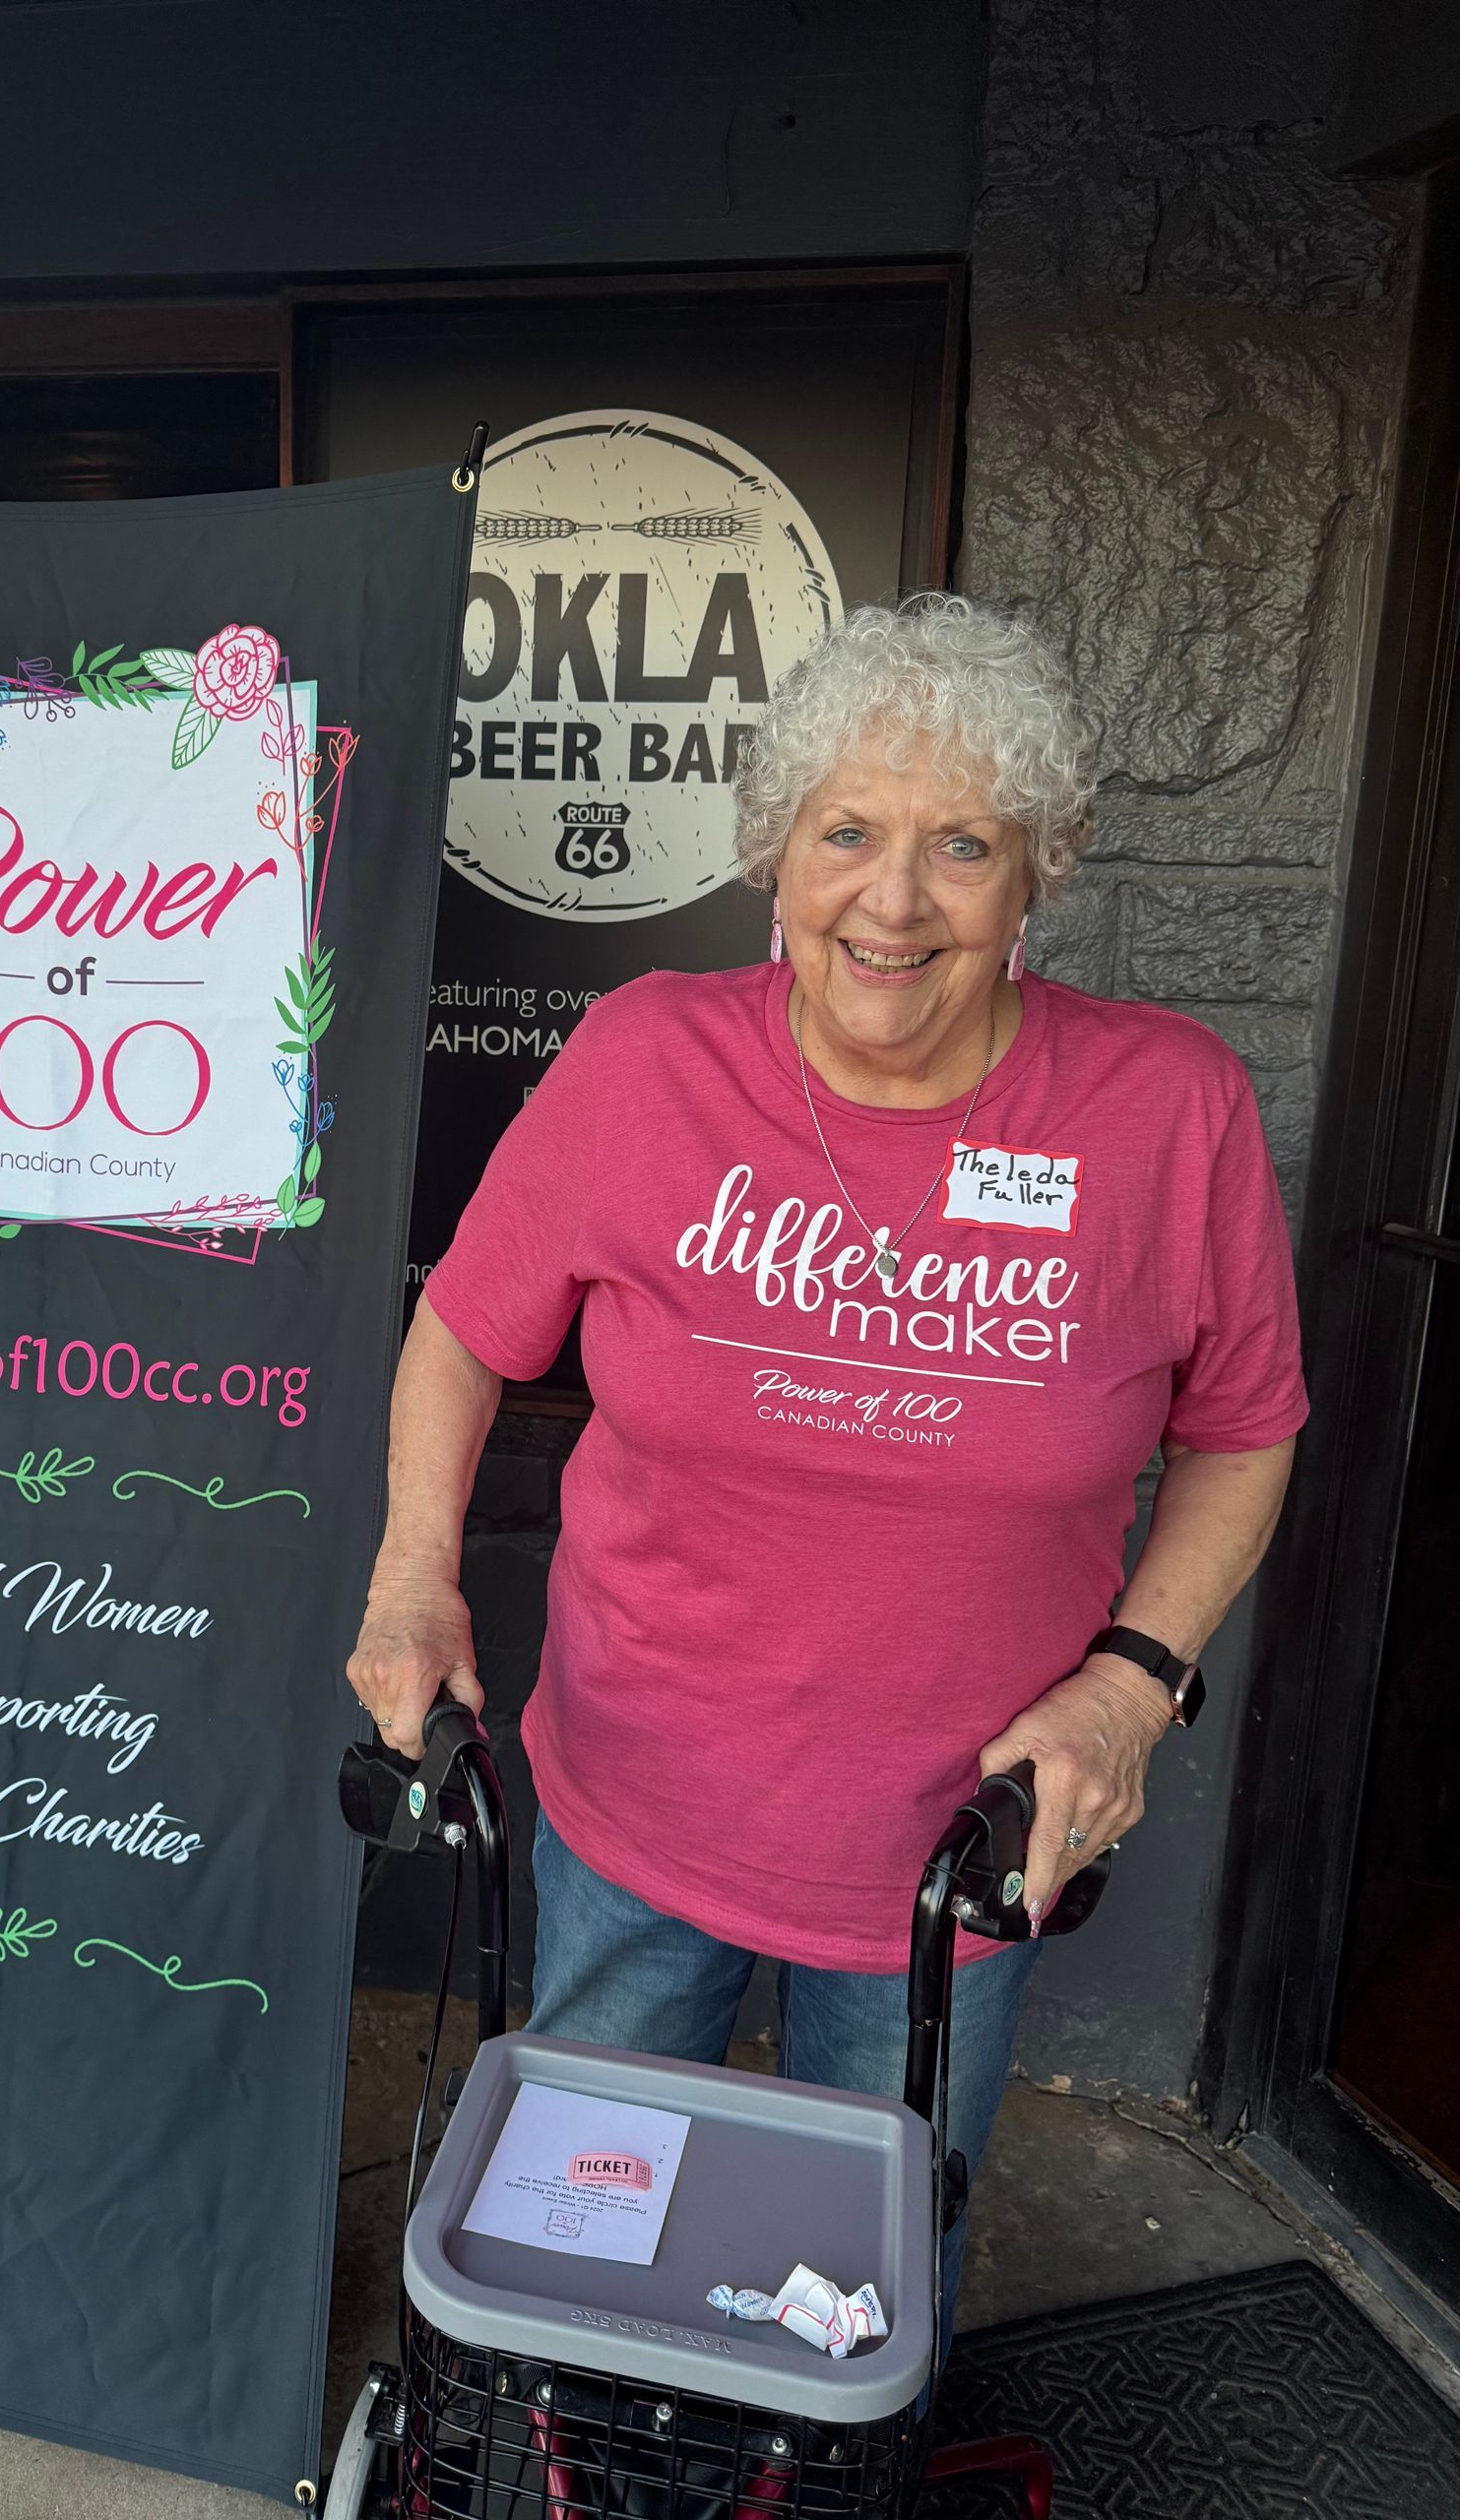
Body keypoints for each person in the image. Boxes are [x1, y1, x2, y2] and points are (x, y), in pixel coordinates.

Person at [347, 595, 1303, 2317]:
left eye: (964, 846)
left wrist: (1129, 1687)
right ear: (775, 855)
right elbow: (466, 1332)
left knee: (855, 2300)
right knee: (584, 2270)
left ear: (1036, 877)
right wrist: (416, 1572)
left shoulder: (1169, 1109)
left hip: (962, 1849)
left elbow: (1243, 1428)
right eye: (847, 832)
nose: (895, 899)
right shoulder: (647, 1057)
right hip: (638, 1808)